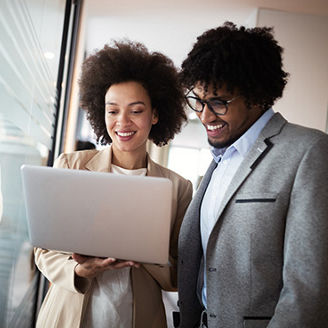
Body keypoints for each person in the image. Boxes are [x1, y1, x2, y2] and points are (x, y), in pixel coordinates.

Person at [177, 21, 328, 328]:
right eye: (197, 100)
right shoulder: (218, 160)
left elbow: (307, 289)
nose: (205, 116)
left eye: (218, 102)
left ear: (257, 95)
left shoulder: (309, 151)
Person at [34, 40, 193, 328]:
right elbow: (44, 252)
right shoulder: (72, 166)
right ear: (101, 112)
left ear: (155, 114)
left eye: (136, 110)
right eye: (112, 110)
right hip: (70, 317)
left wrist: (142, 249)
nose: (123, 121)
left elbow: (177, 277)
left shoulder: (178, 187)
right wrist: (81, 270)